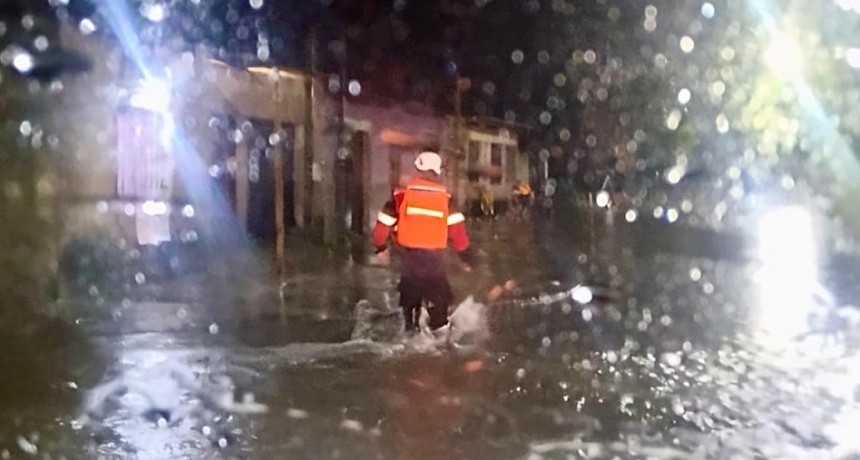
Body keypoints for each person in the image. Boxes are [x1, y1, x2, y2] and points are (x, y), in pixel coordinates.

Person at [372, 151, 472, 335]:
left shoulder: (400, 197)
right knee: (440, 316)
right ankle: (440, 343)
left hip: (410, 263)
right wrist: (466, 259)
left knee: (409, 315)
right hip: (434, 264)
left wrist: (380, 248)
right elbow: (459, 236)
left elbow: (381, 228)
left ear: (417, 169)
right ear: (437, 172)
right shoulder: (447, 200)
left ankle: (410, 333)